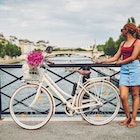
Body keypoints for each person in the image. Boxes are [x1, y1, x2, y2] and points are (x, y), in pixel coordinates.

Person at [96, 22, 140, 128]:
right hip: (124, 70)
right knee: (123, 96)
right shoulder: (122, 43)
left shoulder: (137, 42)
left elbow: (133, 57)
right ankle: (128, 116)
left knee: (135, 95)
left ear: (127, 30)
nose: (121, 31)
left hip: (134, 69)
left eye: (122, 29)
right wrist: (102, 61)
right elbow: (115, 57)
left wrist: (121, 62)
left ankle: (133, 119)